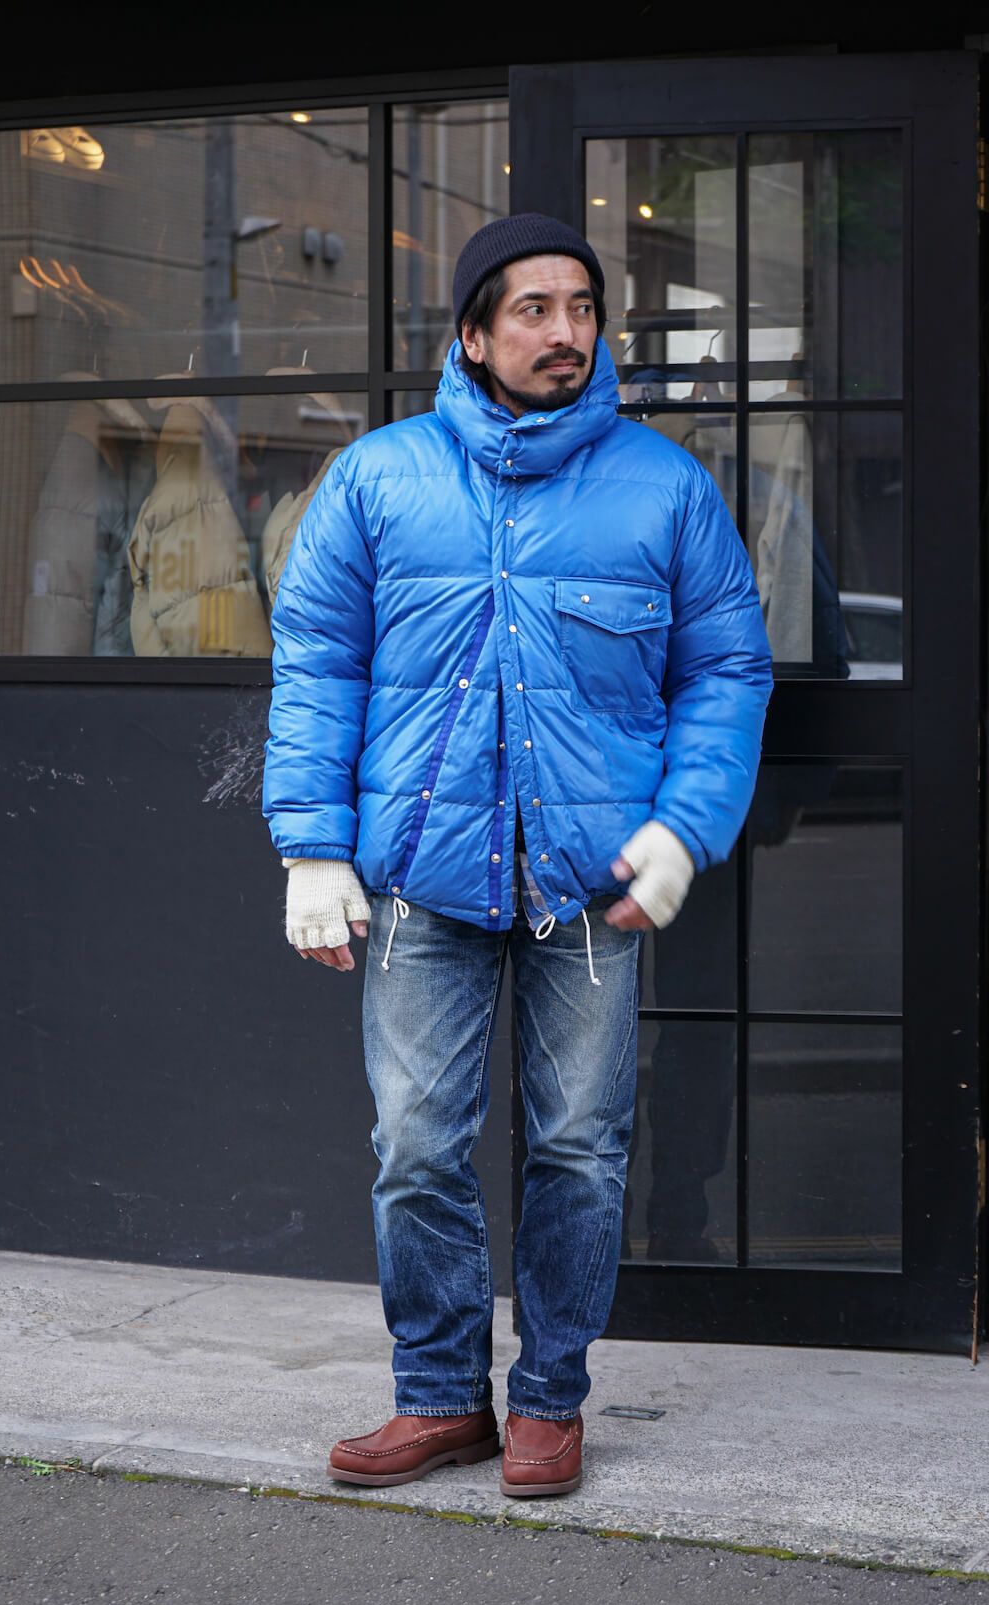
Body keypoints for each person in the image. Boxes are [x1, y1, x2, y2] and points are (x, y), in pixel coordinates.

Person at [262, 212, 773, 1498]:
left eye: (582, 308)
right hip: (421, 882)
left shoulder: (665, 488)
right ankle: (441, 1398)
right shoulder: (379, 479)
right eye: (534, 309)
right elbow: (317, 664)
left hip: (591, 890)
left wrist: (683, 829)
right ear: (474, 333)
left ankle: (550, 1399)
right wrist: (313, 847)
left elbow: (726, 670)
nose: (565, 332)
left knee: (580, 1151)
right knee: (416, 1147)